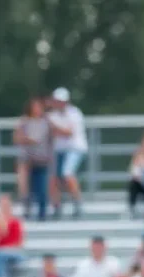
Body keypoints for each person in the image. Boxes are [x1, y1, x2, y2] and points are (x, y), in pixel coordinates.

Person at [48, 88, 88, 218]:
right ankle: (56, 206)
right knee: (53, 177)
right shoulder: (52, 115)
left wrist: (54, 128)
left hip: (75, 149)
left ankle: (77, 203)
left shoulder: (74, 113)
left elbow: (68, 132)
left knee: (67, 174)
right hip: (59, 150)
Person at [14, 97, 52, 221]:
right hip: (27, 159)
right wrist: (29, 140)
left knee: (42, 188)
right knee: (25, 187)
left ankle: (42, 214)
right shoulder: (24, 121)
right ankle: (27, 209)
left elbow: (47, 140)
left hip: (41, 159)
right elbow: (18, 138)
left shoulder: (46, 122)